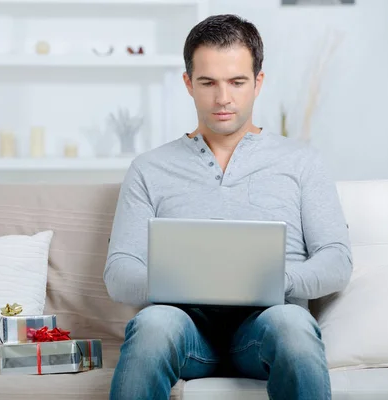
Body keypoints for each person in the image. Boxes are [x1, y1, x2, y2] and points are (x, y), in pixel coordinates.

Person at [104, 14, 352, 400]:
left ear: (258, 82)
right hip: (184, 329)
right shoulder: (149, 168)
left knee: (293, 324)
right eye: (208, 83)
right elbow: (119, 272)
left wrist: (280, 280)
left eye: (237, 82)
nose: (223, 98)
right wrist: (183, 281)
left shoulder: (302, 162)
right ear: (188, 84)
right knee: (152, 325)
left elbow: (336, 260)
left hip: (267, 327)